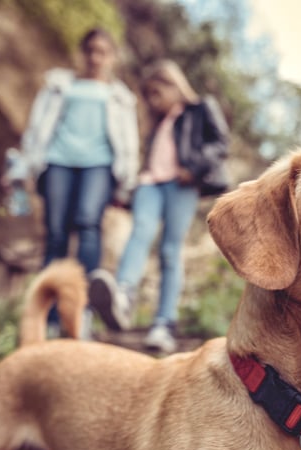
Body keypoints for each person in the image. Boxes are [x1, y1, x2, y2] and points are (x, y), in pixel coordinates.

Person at [4, 28, 140, 340]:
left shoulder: (120, 97)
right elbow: (37, 129)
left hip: (99, 165)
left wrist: (126, 181)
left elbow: (129, 142)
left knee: (88, 225)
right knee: (56, 235)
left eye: (102, 52)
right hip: (57, 162)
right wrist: (23, 166)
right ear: (83, 52)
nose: (95, 57)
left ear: (112, 57)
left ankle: (82, 313)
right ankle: (49, 317)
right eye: (90, 50)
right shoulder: (59, 85)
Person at [89, 59, 230, 353]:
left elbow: (220, 143)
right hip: (150, 184)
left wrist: (193, 168)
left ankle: (164, 323)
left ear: (173, 85)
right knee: (140, 231)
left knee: (169, 250)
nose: (153, 102)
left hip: (181, 185)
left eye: (156, 93)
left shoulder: (200, 108)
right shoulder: (158, 125)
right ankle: (123, 297)